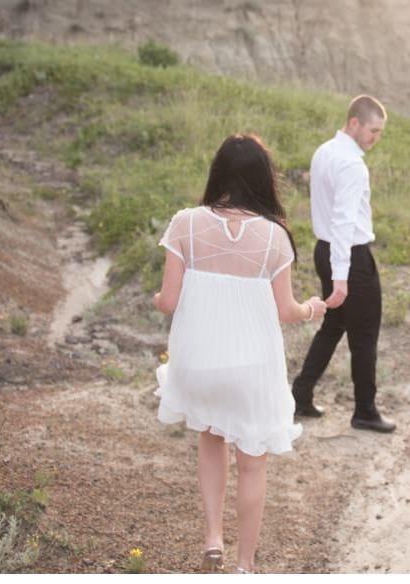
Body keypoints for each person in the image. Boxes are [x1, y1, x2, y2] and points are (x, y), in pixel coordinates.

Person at [153, 133, 328, 574]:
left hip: (198, 364)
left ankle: (213, 537)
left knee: (210, 439)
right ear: (262, 179)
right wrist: (312, 309)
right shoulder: (274, 238)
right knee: (253, 465)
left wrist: (158, 297)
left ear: (218, 173)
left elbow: (169, 302)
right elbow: (287, 311)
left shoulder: (186, 224)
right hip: (252, 369)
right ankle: (244, 566)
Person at [291, 95, 396, 433]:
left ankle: (300, 395)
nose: (375, 138)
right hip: (348, 256)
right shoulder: (351, 164)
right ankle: (365, 411)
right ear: (354, 122)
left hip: (325, 249)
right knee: (364, 336)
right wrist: (342, 276)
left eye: (379, 132)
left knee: (333, 326)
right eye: (373, 130)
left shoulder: (324, 151)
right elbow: (343, 221)